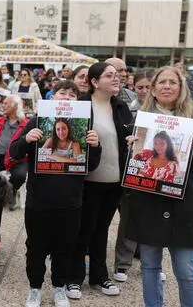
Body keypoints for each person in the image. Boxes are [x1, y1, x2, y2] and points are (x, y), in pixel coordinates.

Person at [126, 66, 193, 307]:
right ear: (152, 90)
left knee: (187, 270)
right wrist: (130, 150)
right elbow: (133, 166)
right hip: (148, 203)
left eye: (172, 82)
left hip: (182, 204)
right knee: (150, 266)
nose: (167, 86)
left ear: (181, 87)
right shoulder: (140, 120)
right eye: (161, 82)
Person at [11, 80, 102, 307]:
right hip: (38, 201)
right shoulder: (37, 123)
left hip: (71, 202)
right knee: (36, 248)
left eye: (73, 94)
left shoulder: (85, 130)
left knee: (65, 247)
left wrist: (97, 146)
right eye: (62, 93)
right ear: (52, 97)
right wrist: (26, 139)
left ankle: (59, 288)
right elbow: (14, 152)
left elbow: (90, 165)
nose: (67, 97)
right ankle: (35, 289)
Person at [68, 62, 133, 299]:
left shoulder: (121, 107)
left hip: (115, 180)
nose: (116, 79)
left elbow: (127, 140)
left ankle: (99, 276)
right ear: (95, 82)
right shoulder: (82, 105)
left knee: (101, 230)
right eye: (109, 76)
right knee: (83, 229)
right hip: (88, 180)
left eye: (117, 75)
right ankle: (73, 278)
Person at [112, 68, 155, 283]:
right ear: (133, 87)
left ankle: (152, 264)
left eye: (149, 87)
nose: (145, 91)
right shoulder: (128, 109)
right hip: (133, 168)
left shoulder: (167, 111)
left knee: (155, 220)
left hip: (158, 171)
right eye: (140, 87)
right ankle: (122, 263)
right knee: (128, 217)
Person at [0, 94, 29, 210]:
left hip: (18, 158)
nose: (3, 106)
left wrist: (20, 154)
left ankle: (12, 191)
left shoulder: (26, 124)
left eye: (6, 103)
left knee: (20, 175)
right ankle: (1, 192)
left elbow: (29, 144)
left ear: (14, 106)